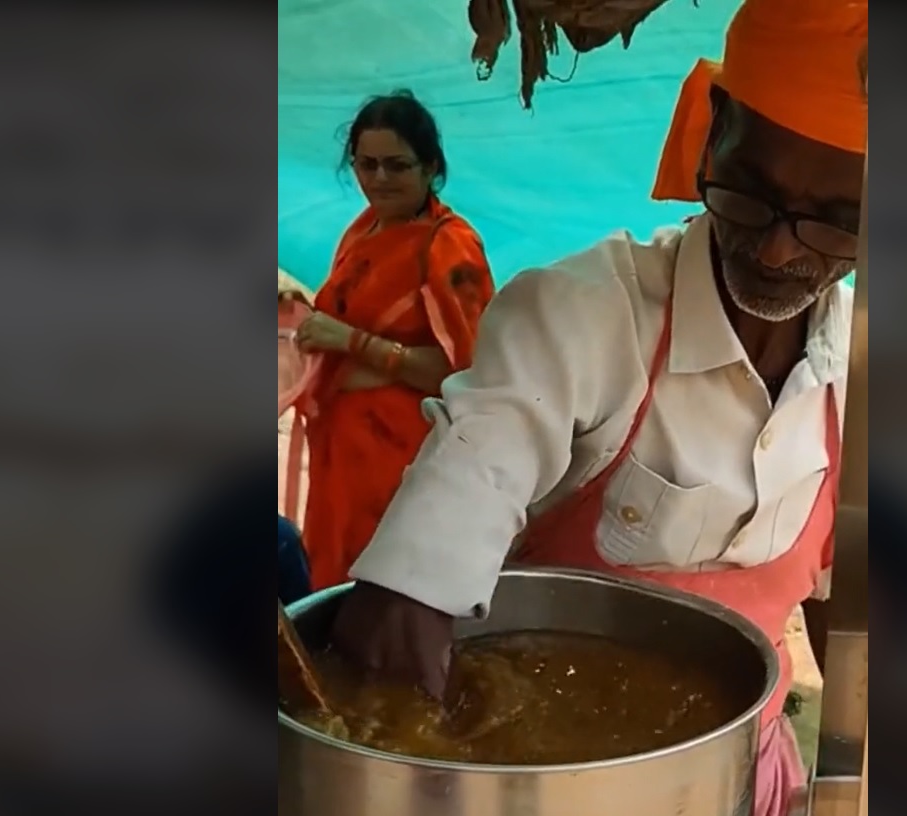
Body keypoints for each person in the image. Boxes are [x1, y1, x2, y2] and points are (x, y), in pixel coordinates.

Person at [333, 1, 866, 813]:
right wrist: (410, 594)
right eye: (751, 193)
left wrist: (846, 779)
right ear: (713, 127)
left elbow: (847, 617)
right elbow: (480, 456)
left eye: (835, 224)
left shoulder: (863, 379)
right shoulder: (584, 313)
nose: (776, 249)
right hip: (550, 787)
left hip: (744, 782)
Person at [279, 90, 495, 591]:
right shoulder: (366, 226)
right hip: (342, 451)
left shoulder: (450, 248)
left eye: (396, 166)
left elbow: (467, 375)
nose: (378, 179)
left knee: (381, 592)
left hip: (400, 460)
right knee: (331, 586)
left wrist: (354, 343)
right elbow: (350, 316)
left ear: (430, 167)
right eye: (366, 164)